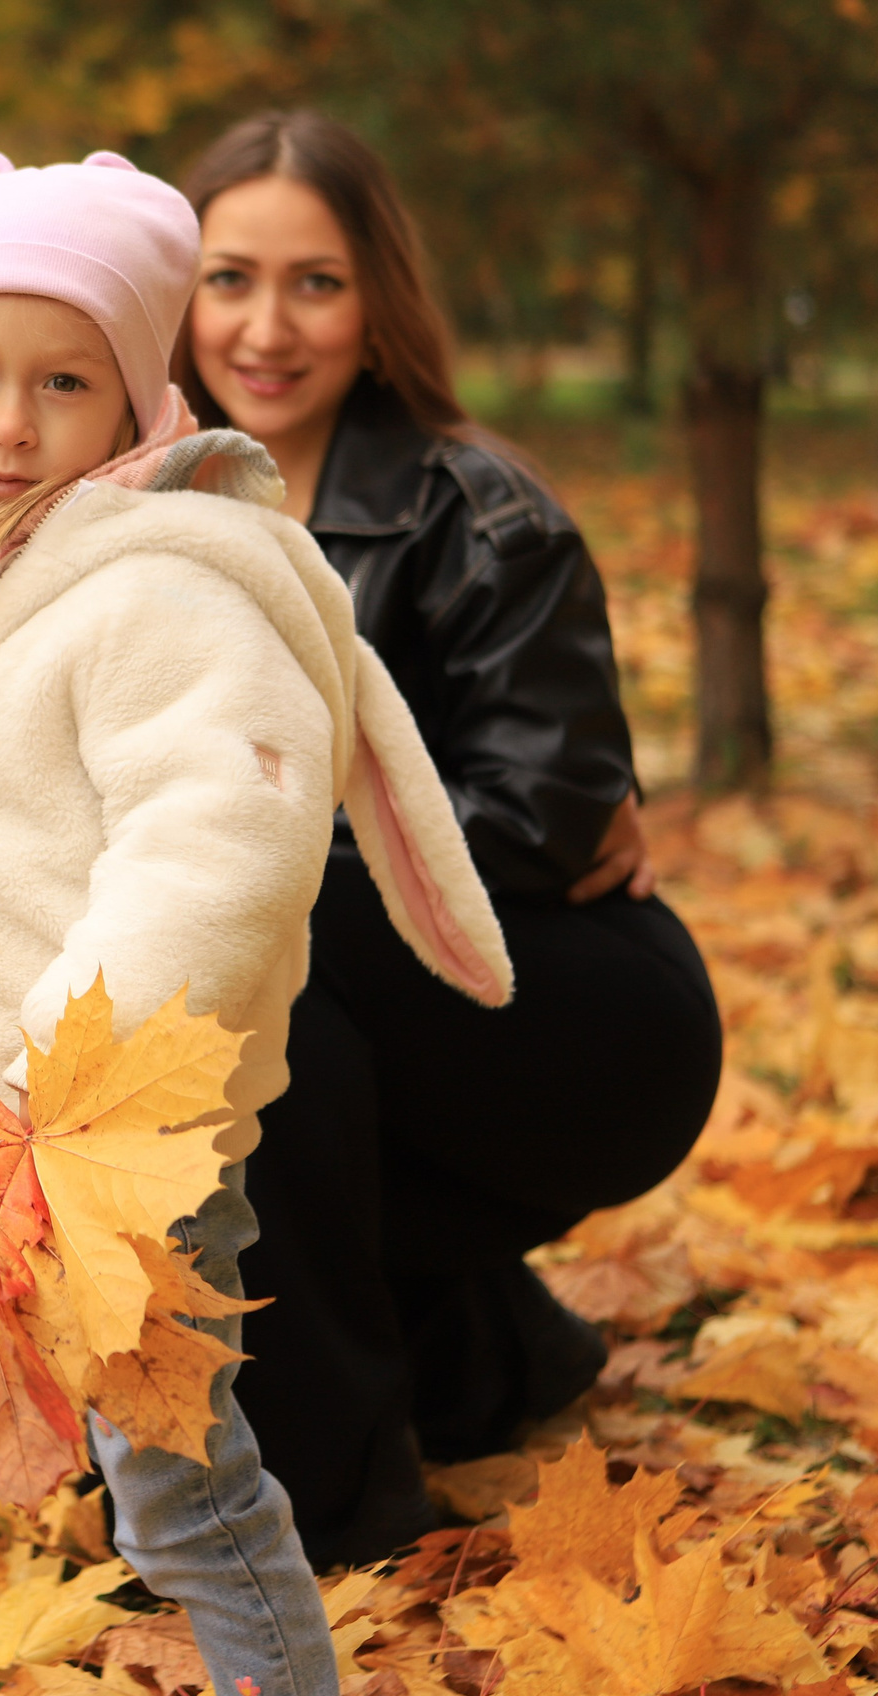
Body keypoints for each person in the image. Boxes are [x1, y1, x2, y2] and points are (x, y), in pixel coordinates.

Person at [0, 148, 515, 1696]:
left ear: (136, 401)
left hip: (105, 1150)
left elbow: (210, 853)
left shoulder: (167, 598)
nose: (10, 421)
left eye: (63, 381)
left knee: (176, 1482)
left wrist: (64, 1084)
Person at [175, 111, 726, 1565]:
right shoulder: (127, 506)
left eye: (317, 281)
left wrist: (242, 870)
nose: (265, 326)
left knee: (254, 950)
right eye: (229, 277)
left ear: (381, 301)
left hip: (566, 1005)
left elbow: (544, 814)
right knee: (227, 981)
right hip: (350, 1004)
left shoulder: (479, 512)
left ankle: (323, 1511)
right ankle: (478, 1355)